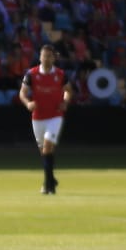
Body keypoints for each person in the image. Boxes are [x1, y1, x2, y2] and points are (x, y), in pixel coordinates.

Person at [19, 45, 72, 195]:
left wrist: (65, 102)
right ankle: (50, 179)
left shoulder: (61, 74)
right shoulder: (31, 74)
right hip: (37, 117)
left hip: (55, 116)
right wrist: (28, 103)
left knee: (48, 147)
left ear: (54, 58)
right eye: (44, 56)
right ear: (40, 57)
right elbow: (22, 93)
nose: (46, 58)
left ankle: (49, 187)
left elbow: (68, 91)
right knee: (44, 152)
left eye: (49, 56)